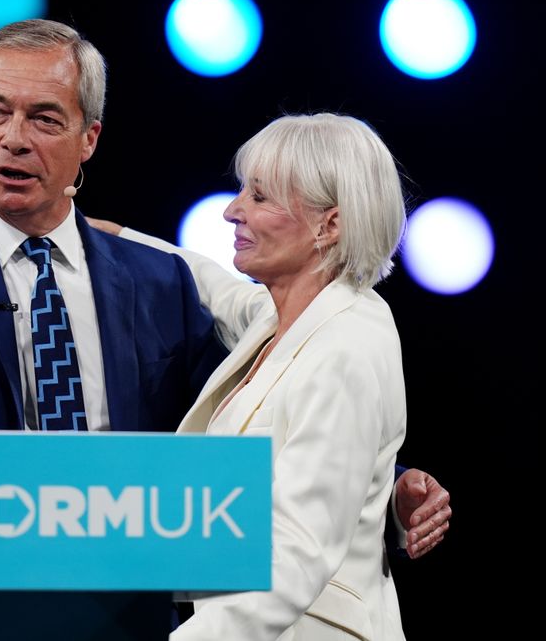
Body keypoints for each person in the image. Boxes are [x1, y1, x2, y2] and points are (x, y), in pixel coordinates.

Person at [0, 18, 447, 638]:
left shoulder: (158, 286)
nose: (14, 137)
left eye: (44, 118)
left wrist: (384, 484)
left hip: (112, 620)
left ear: (88, 138)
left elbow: (254, 418)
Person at [90, 112, 434, 639]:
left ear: (331, 224)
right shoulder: (283, 317)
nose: (232, 211)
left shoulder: (348, 344)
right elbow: (212, 287)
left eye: (259, 196)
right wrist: (116, 240)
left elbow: (299, 549)